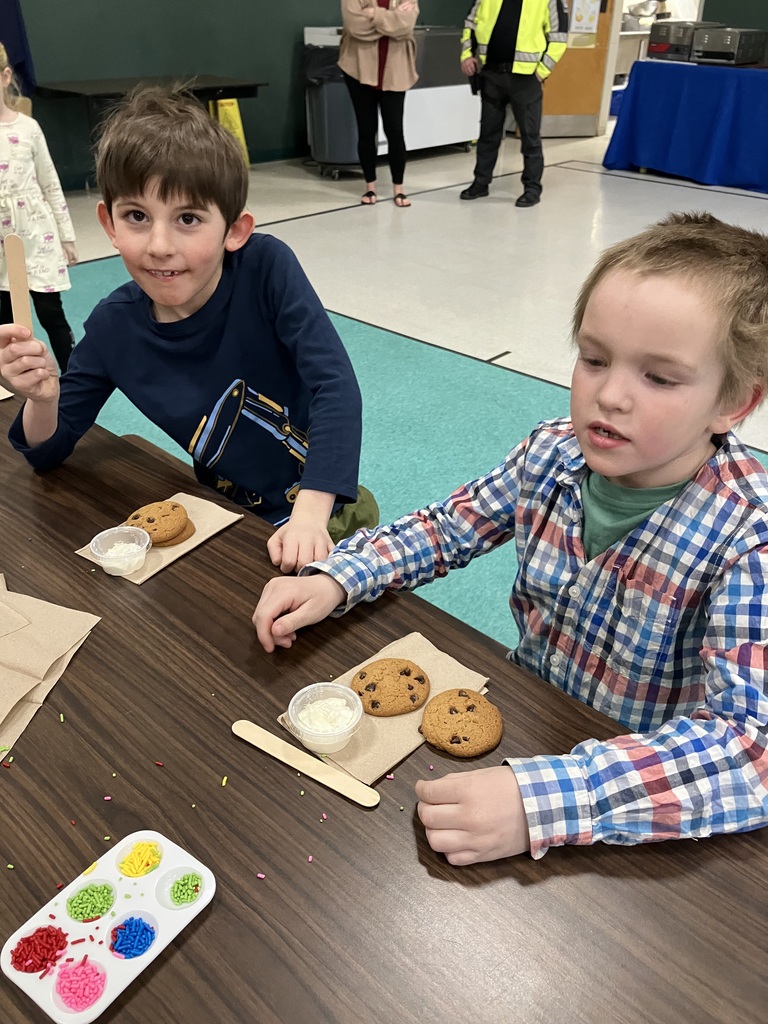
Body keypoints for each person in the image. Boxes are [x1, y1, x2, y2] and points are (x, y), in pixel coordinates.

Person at [253, 212, 768, 864]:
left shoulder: (750, 540)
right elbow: (448, 528)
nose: (609, 395)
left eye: (659, 377)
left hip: (639, 801)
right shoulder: (551, 452)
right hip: (526, 721)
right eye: (594, 358)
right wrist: (342, 575)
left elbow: (752, 747)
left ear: (735, 404)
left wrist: (545, 802)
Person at [0, 86, 378, 578]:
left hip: (326, 508)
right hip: (225, 520)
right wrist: (42, 397)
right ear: (108, 223)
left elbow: (337, 388)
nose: (159, 245)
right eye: (136, 216)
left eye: (189, 219)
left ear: (234, 230)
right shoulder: (113, 328)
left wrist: (308, 517)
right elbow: (48, 452)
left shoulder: (266, 267)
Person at [0, 42, 78, 371]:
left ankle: (76, 376)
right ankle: (10, 385)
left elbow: (50, 183)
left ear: (5, 77)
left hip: (36, 236)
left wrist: (67, 236)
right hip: (1, 246)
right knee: (5, 321)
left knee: (50, 313)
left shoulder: (28, 129)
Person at [459, 0, 569, 207]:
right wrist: (466, 55)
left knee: (530, 136)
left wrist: (542, 71)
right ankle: (481, 182)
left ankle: (532, 188)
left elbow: (559, 36)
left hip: (526, 78)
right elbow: (470, 23)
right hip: (491, 73)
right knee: (488, 134)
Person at [338, 0, 419, 207]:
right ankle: (370, 186)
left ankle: (398, 189)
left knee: (395, 130)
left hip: (395, 71)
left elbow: (406, 26)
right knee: (366, 130)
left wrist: (373, 13)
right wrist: (391, 19)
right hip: (359, 70)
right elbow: (355, 27)